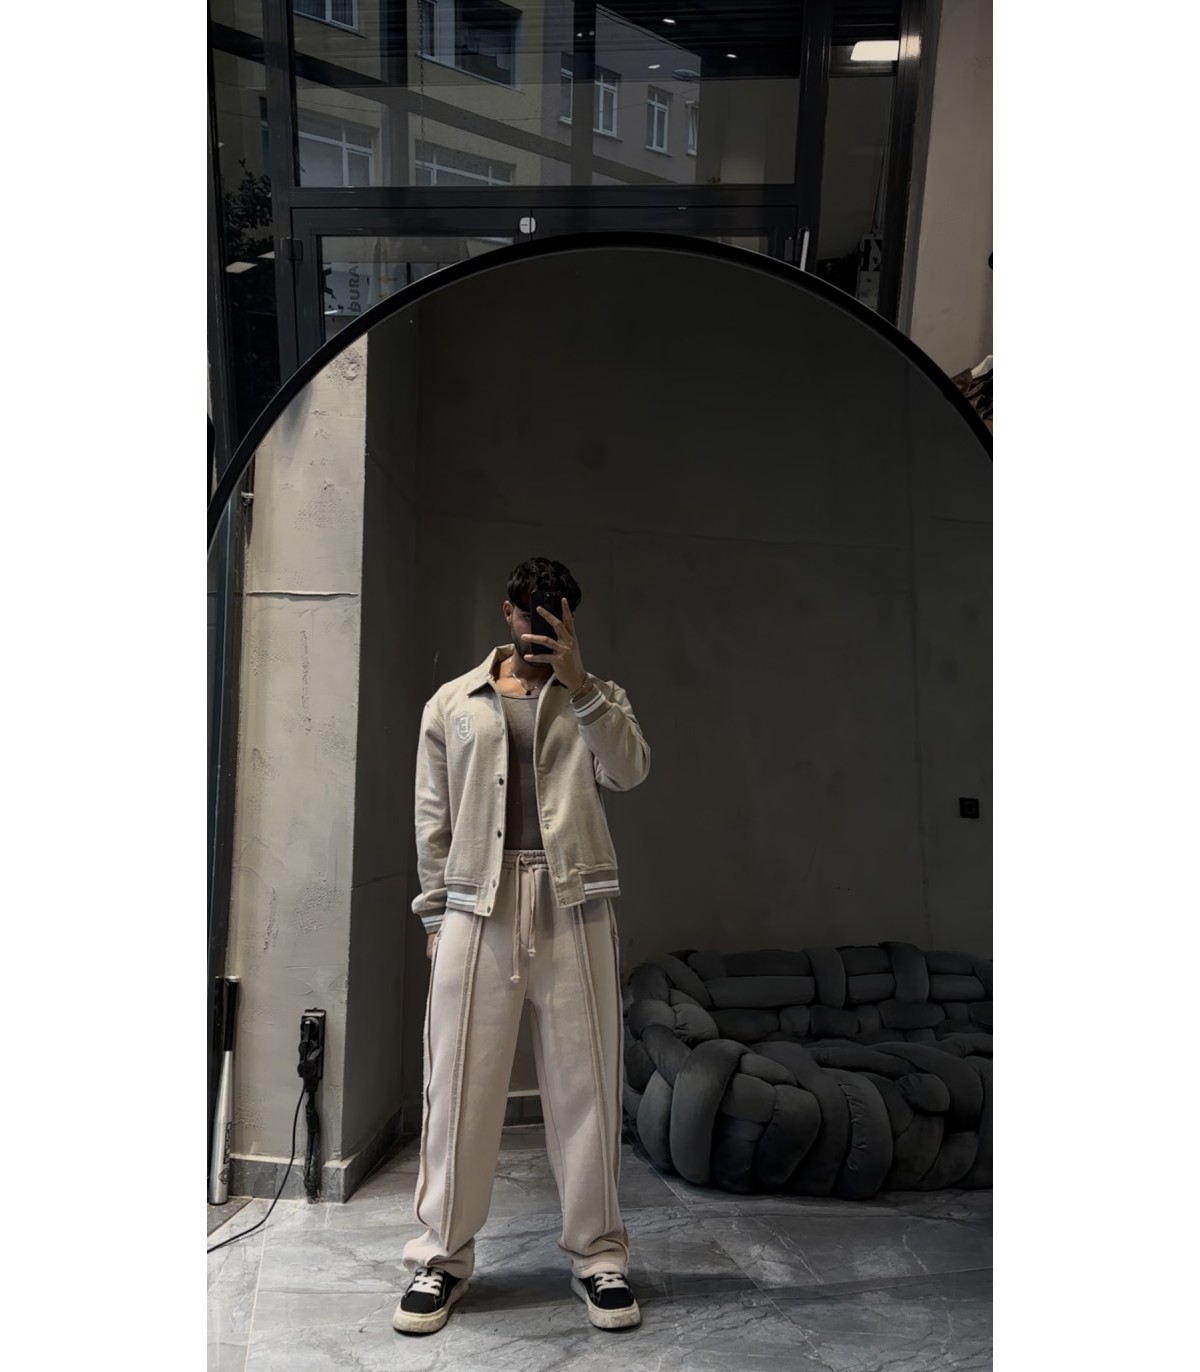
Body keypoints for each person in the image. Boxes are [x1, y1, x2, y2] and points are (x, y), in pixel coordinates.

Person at [393, 557, 651, 1336]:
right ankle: (441, 1258)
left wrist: (583, 686)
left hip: (575, 901)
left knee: (588, 1086)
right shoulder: (453, 703)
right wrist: (434, 918)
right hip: (477, 903)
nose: (545, 626)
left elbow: (630, 772)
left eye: (560, 614)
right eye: (534, 612)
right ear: (508, 613)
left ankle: (600, 1257)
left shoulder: (597, 695)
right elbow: (432, 818)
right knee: (457, 1087)